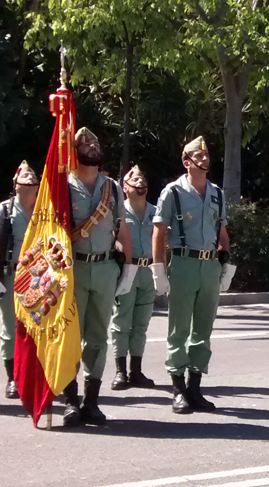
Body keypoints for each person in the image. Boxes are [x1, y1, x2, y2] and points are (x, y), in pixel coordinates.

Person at [152, 136, 234, 413]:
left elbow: (221, 230)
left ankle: (195, 387)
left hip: (209, 264)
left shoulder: (216, 193)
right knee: (179, 329)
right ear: (186, 162)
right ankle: (178, 390)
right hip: (184, 262)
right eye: (197, 156)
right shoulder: (173, 192)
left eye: (206, 154)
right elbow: (159, 232)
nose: (204, 158)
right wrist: (159, 272)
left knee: (203, 328)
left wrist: (226, 264)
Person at [58, 128, 131, 426]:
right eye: (85, 143)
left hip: (103, 268)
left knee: (98, 337)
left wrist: (127, 271)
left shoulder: (111, 188)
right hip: (72, 267)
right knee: (69, 336)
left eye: (96, 143)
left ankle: (91, 401)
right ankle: (70, 401)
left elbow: (122, 230)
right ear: (74, 151)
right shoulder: (61, 185)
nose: (92, 146)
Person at [0, 161, 40, 399]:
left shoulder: (44, 211)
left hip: (39, 279)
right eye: (23, 181)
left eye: (33, 181)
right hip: (13, 275)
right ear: (15, 186)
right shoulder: (4, 210)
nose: (28, 184)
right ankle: (13, 378)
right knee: (11, 330)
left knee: (38, 328)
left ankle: (36, 376)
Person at [110, 165, 159, 390]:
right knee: (122, 322)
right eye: (134, 180)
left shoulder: (155, 212)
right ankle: (120, 371)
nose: (140, 183)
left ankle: (136, 371)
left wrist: (162, 272)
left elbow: (162, 241)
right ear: (124, 188)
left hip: (148, 271)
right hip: (127, 270)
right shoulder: (118, 212)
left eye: (142, 180)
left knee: (141, 323)